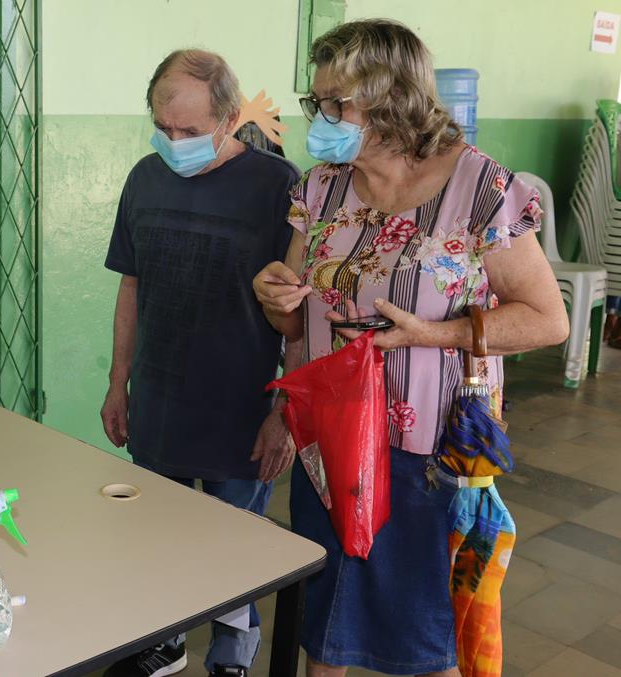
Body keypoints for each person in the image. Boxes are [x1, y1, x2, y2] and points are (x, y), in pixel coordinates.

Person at [253, 20, 568, 677]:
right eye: (317, 103)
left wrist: (438, 334)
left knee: (422, 631)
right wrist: (273, 297)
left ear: (393, 99)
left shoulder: (479, 189)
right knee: (325, 617)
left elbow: (546, 319)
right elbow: (292, 317)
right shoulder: (320, 189)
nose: (321, 119)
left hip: (423, 451)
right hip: (326, 441)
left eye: (336, 103)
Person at [100, 49, 300, 677]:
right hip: (160, 399)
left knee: (233, 549)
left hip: (240, 409)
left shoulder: (276, 186)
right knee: (156, 538)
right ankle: (164, 641)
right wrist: (117, 384)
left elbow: (300, 311)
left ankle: (232, 660)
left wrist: (285, 412)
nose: (173, 141)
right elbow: (130, 287)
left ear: (226, 120)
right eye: (162, 126)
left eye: (188, 131)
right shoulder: (145, 178)